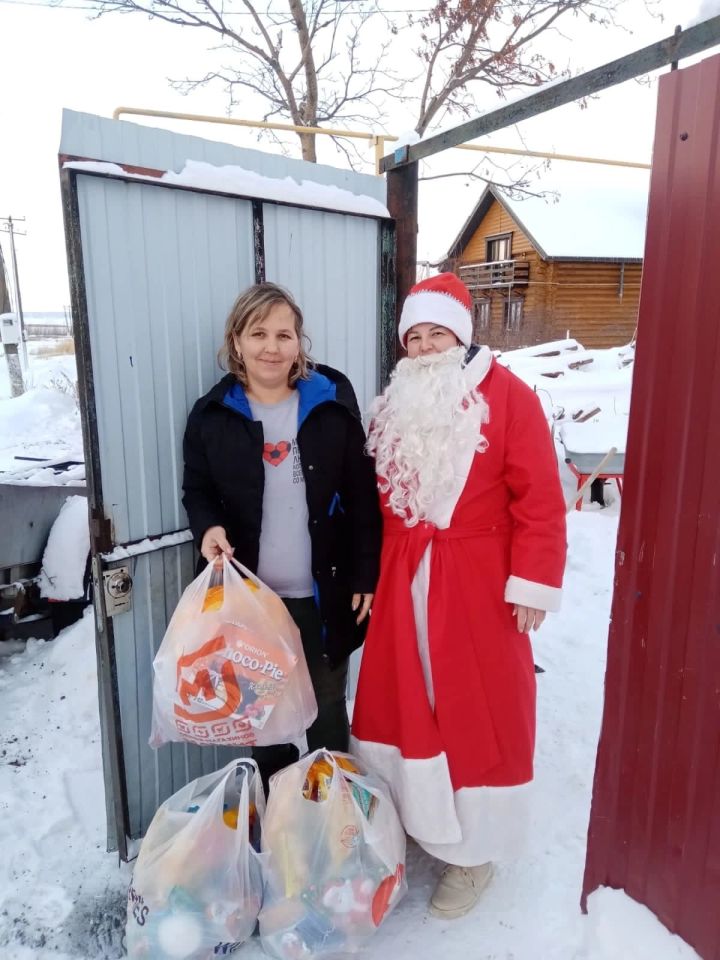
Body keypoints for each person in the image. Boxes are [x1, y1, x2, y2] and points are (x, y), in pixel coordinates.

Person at [350, 273, 567, 920]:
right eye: (412, 336)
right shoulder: (390, 406)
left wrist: (532, 582)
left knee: (474, 710)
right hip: (400, 578)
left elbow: (541, 500)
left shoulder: (511, 398)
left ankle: (475, 852)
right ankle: (416, 820)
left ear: (462, 336)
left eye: (435, 333)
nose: (422, 347)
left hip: (476, 584)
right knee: (402, 704)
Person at [182, 281, 382, 785]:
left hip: (322, 591)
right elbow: (197, 489)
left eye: (284, 334)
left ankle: (333, 815)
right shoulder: (213, 416)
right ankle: (276, 814)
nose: (272, 347)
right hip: (250, 599)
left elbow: (362, 498)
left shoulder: (330, 405)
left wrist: (365, 574)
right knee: (261, 712)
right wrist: (208, 527)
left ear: (299, 344)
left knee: (329, 706)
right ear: (237, 342)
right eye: (259, 333)